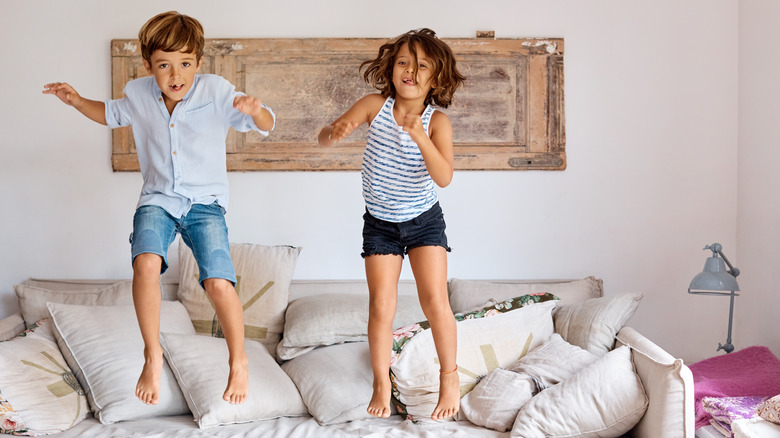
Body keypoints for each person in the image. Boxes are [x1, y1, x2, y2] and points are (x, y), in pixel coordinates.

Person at [43, 11, 275, 406]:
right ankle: (152, 354)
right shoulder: (137, 94)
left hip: (206, 204)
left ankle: (238, 360)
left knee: (219, 283)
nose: (175, 74)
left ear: (198, 63)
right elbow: (110, 114)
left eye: (185, 64)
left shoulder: (217, 90)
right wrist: (76, 100)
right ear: (148, 65)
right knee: (145, 263)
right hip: (158, 199)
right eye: (164, 65)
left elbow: (265, 123)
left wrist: (255, 110)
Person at [318, 28, 465, 421]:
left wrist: (420, 137)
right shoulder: (373, 106)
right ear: (391, 67)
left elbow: (444, 177)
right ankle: (381, 383)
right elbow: (325, 137)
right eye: (403, 63)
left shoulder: (437, 122)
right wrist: (335, 132)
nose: (410, 72)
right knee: (381, 305)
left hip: (423, 222)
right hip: (380, 223)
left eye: (421, 67)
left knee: (435, 301)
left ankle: (449, 376)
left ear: (436, 78)